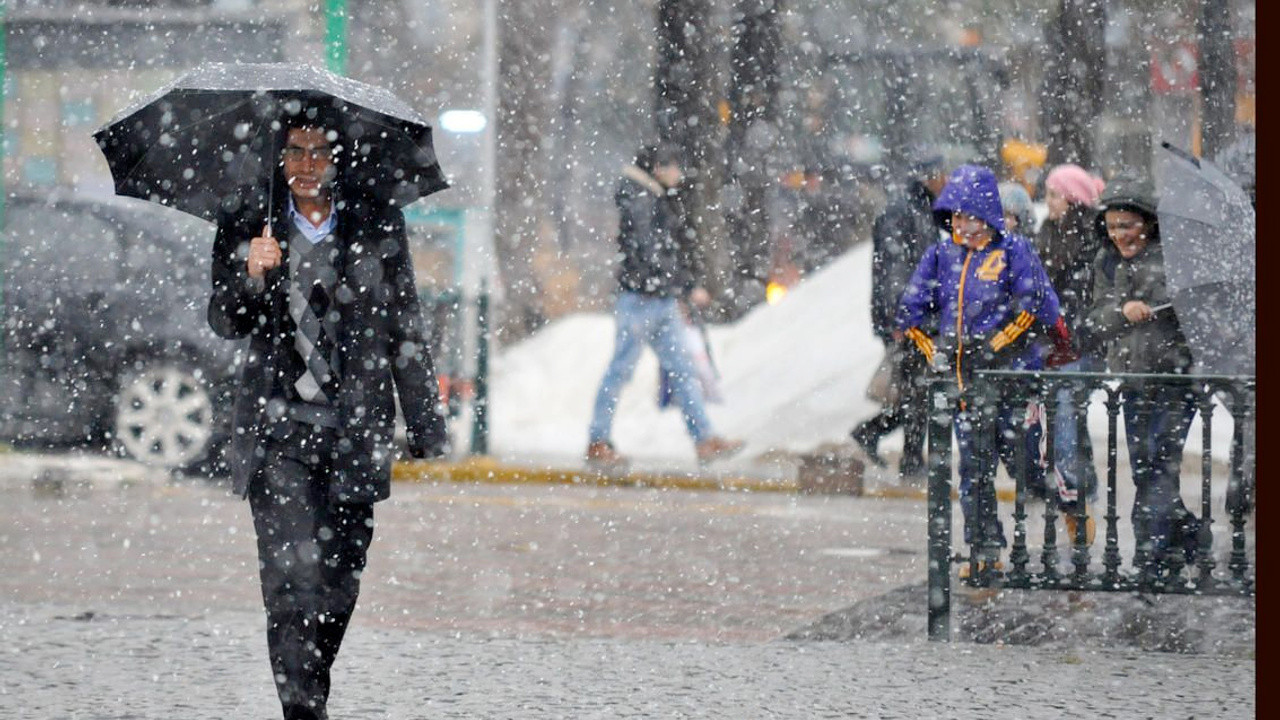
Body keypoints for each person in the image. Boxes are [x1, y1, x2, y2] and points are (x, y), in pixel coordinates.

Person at [207, 109, 448, 720]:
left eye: (317, 153)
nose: (306, 166)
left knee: (339, 586)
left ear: (336, 159)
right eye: (294, 153)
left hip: (355, 431)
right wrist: (250, 275)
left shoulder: (374, 222)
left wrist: (425, 424)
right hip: (278, 430)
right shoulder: (248, 220)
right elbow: (225, 321)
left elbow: (405, 325)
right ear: (278, 159)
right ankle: (303, 711)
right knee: (293, 582)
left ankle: (309, 689)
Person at [897, 164, 1069, 577]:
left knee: (1026, 464)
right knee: (974, 471)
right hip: (965, 388)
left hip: (1011, 382)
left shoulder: (1014, 251)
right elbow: (909, 313)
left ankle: (1069, 501)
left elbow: (1033, 308)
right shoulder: (940, 256)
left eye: (969, 215)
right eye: (955, 216)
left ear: (988, 215)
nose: (962, 225)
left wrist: (992, 348)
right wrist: (934, 349)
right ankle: (984, 552)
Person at [586, 143, 743, 469]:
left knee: (680, 371)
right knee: (625, 371)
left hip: (656, 297)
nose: (680, 174)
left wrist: (678, 286)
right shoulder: (641, 199)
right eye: (675, 167)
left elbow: (659, 250)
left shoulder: (648, 197)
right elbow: (653, 250)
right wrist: (685, 286)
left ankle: (704, 439)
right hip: (643, 299)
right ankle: (598, 441)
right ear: (658, 167)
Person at [1084, 175, 1200, 582]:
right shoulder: (1106, 262)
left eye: (1128, 225)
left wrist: (1161, 310)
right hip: (1132, 384)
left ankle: (1148, 560)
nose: (1120, 235)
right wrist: (1123, 312)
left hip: (1174, 383)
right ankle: (1188, 538)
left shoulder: (1174, 259)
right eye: (1113, 226)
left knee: (1159, 465)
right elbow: (1097, 319)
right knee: (1145, 470)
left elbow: (1196, 319)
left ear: (1147, 223)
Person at [850, 150, 948, 480]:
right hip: (906, 319)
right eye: (940, 175)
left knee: (915, 389)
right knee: (918, 389)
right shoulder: (904, 212)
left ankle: (873, 435)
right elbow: (894, 269)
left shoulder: (921, 211)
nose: (944, 182)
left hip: (915, 316)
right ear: (928, 177)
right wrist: (900, 317)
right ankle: (908, 459)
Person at [1035, 165, 1106, 543]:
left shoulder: (1092, 241)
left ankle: (1074, 502)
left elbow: (1089, 300)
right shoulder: (1045, 234)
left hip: (1081, 347)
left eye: (1055, 194)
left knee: (1064, 415)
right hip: (1053, 347)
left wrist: (1071, 328)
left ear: (1074, 199)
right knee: (1067, 423)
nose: (1048, 202)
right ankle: (1083, 490)